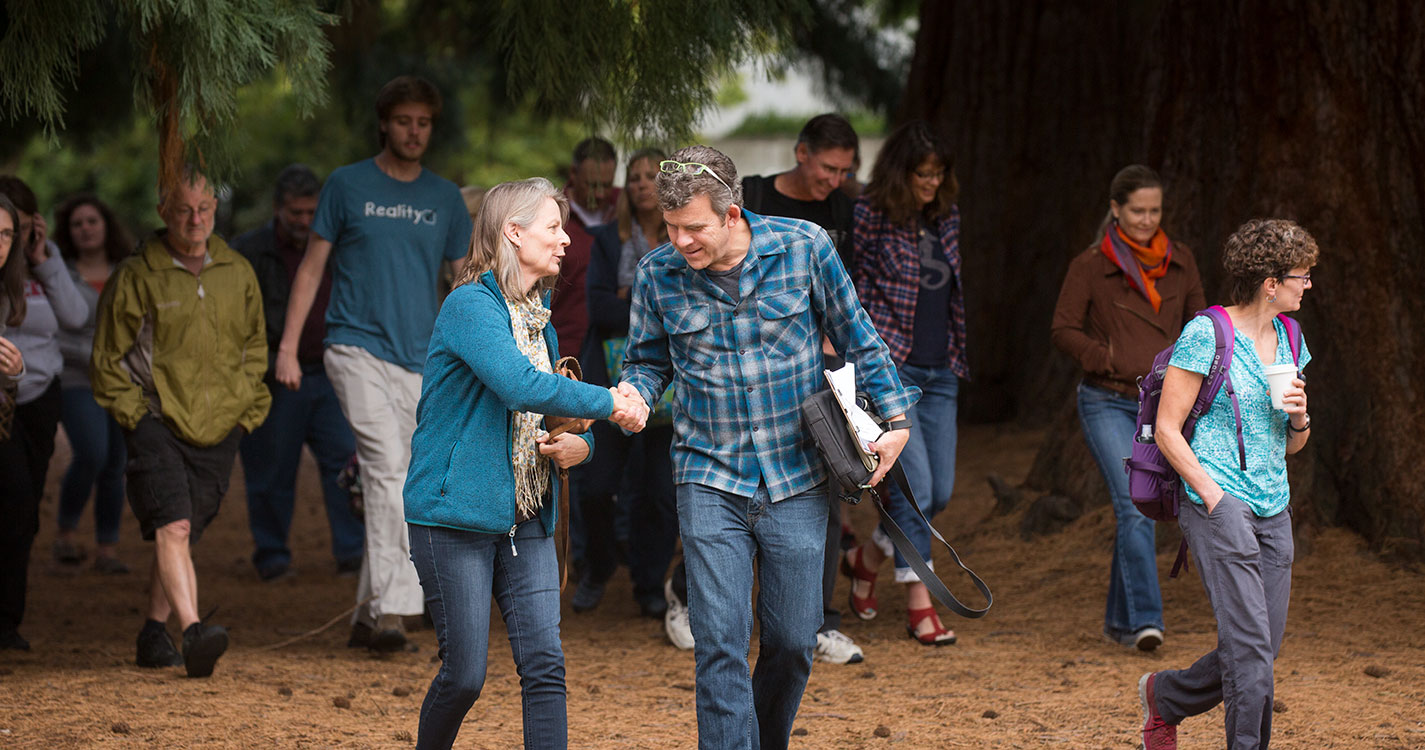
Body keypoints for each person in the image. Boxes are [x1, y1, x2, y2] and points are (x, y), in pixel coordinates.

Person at [619, 145, 916, 750]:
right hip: (708, 476)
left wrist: (896, 417)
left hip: (798, 475)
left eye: (693, 227)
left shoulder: (804, 246)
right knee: (720, 641)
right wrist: (639, 396)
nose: (680, 241)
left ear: (732, 214)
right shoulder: (657, 273)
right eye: (670, 228)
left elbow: (855, 333)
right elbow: (647, 362)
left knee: (792, 641)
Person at [403, 177, 648, 750]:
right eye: (553, 227)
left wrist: (581, 444)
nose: (565, 240)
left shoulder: (538, 319)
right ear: (513, 232)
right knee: (464, 676)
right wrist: (612, 402)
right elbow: (519, 387)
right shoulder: (470, 305)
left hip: (528, 518)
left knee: (545, 667)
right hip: (453, 519)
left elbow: (551, 415)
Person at [275, 76, 473, 653]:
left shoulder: (443, 198)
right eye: (404, 121)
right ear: (384, 123)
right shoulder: (346, 185)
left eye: (424, 123)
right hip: (353, 345)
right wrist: (288, 348)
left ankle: (366, 613)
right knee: (386, 468)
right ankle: (396, 609)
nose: (414, 132)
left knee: (406, 477)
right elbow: (311, 269)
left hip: (421, 356)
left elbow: (461, 281)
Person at [1138, 218, 1317, 750]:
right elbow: (1168, 431)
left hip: (1274, 504)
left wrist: (1302, 419)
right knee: (1249, 651)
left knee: (1261, 646)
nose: (1308, 285)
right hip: (1217, 500)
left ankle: (1166, 698)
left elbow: (1291, 445)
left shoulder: (1291, 339)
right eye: (1302, 276)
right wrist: (1213, 497)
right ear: (1270, 283)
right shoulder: (1206, 334)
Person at [91, 170, 270, 677]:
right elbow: (106, 359)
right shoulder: (137, 275)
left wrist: (245, 412)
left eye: (205, 210)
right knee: (174, 524)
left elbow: (255, 346)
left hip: (221, 425)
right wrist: (136, 416)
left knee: (182, 533)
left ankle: (153, 632)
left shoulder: (236, 270)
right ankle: (193, 632)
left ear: (215, 210)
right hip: (155, 417)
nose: (196, 220)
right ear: (163, 212)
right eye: (185, 210)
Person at [1051, 165, 1206, 652]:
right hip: (1106, 400)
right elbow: (1063, 329)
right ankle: (1146, 621)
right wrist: (1108, 358)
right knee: (1134, 504)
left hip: (1164, 407)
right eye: (1136, 210)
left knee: (1144, 508)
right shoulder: (1090, 265)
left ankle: (1121, 622)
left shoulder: (1181, 261)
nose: (1145, 219)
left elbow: (1202, 324)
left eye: (1153, 210)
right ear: (1115, 209)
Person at [737, 112, 864, 664]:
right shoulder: (757, 195)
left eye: (844, 171)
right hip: (746, 372)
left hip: (821, 374)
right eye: (827, 167)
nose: (833, 180)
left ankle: (818, 619)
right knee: (738, 493)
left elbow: (846, 294)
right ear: (801, 152)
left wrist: (836, 351)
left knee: (827, 488)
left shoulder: (846, 209)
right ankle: (697, 597)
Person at [843, 120, 968, 646]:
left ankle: (867, 558)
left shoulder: (946, 216)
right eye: (923, 173)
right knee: (913, 487)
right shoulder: (871, 215)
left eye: (939, 174)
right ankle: (921, 604)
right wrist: (868, 358)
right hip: (893, 368)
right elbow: (855, 290)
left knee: (939, 490)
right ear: (901, 172)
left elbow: (954, 293)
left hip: (943, 368)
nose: (931, 183)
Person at [233, 165, 363, 582]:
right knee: (271, 470)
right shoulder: (249, 252)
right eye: (295, 213)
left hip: (332, 373)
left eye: (311, 212)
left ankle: (352, 553)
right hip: (273, 377)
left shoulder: (337, 245)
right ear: (277, 210)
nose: (305, 221)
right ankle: (272, 556)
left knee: (345, 464)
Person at [571, 148, 679, 618]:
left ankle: (649, 583)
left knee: (659, 491)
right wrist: (651, 302)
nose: (640, 184)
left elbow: (680, 311)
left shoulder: (683, 241)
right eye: (633, 177)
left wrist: (629, 296)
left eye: (650, 176)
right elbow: (599, 309)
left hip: (669, 384)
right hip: (608, 382)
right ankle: (596, 567)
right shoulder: (606, 240)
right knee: (595, 485)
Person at [0, 181, 89, 651]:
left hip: (39, 397)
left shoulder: (39, 264)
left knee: (25, 509)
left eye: (12, 229)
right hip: (4, 402)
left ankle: (9, 617)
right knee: (12, 500)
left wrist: (44, 255)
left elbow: (75, 317)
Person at [52, 194, 135, 574]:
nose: (85, 229)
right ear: (68, 232)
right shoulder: (58, 274)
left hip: (123, 381)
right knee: (92, 453)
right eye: (77, 224)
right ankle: (66, 532)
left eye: (92, 221)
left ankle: (107, 548)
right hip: (76, 379)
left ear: (106, 225)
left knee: (116, 463)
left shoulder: (128, 270)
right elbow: (55, 330)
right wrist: (97, 358)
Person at [550, 137, 618, 361]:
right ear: (573, 173)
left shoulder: (626, 208)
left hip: (616, 353)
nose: (599, 194)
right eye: (592, 185)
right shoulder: (552, 215)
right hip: (566, 351)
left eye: (606, 185)